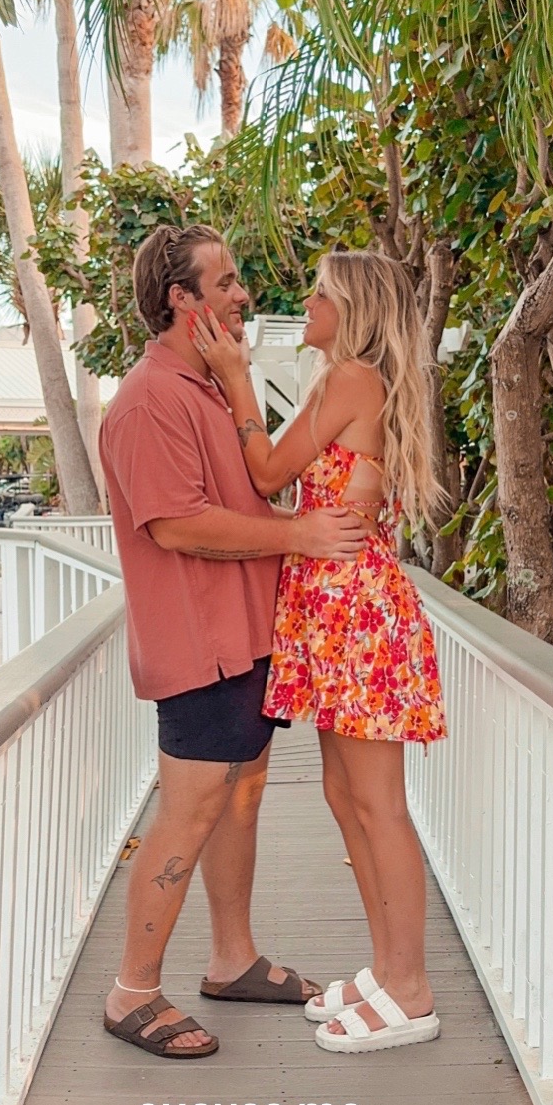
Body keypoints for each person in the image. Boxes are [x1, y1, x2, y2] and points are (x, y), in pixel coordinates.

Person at [98, 224, 368, 1058]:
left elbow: (243, 492)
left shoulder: (209, 387)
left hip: (246, 638)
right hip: (200, 646)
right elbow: (177, 526)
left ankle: (232, 959)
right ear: (181, 300)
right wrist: (300, 535)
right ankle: (131, 992)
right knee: (188, 815)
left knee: (241, 798)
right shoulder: (149, 399)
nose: (243, 294)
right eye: (225, 283)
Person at [189, 248, 447, 1055]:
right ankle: (388, 969)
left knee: (378, 806)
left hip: (357, 615)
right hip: (338, 614)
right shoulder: (352, 380)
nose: (306, 300)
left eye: (321, 292)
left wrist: (237, 378)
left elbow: (269, 472)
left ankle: (412, 988)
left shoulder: (352, 378)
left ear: (353, 309)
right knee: (345, 796)